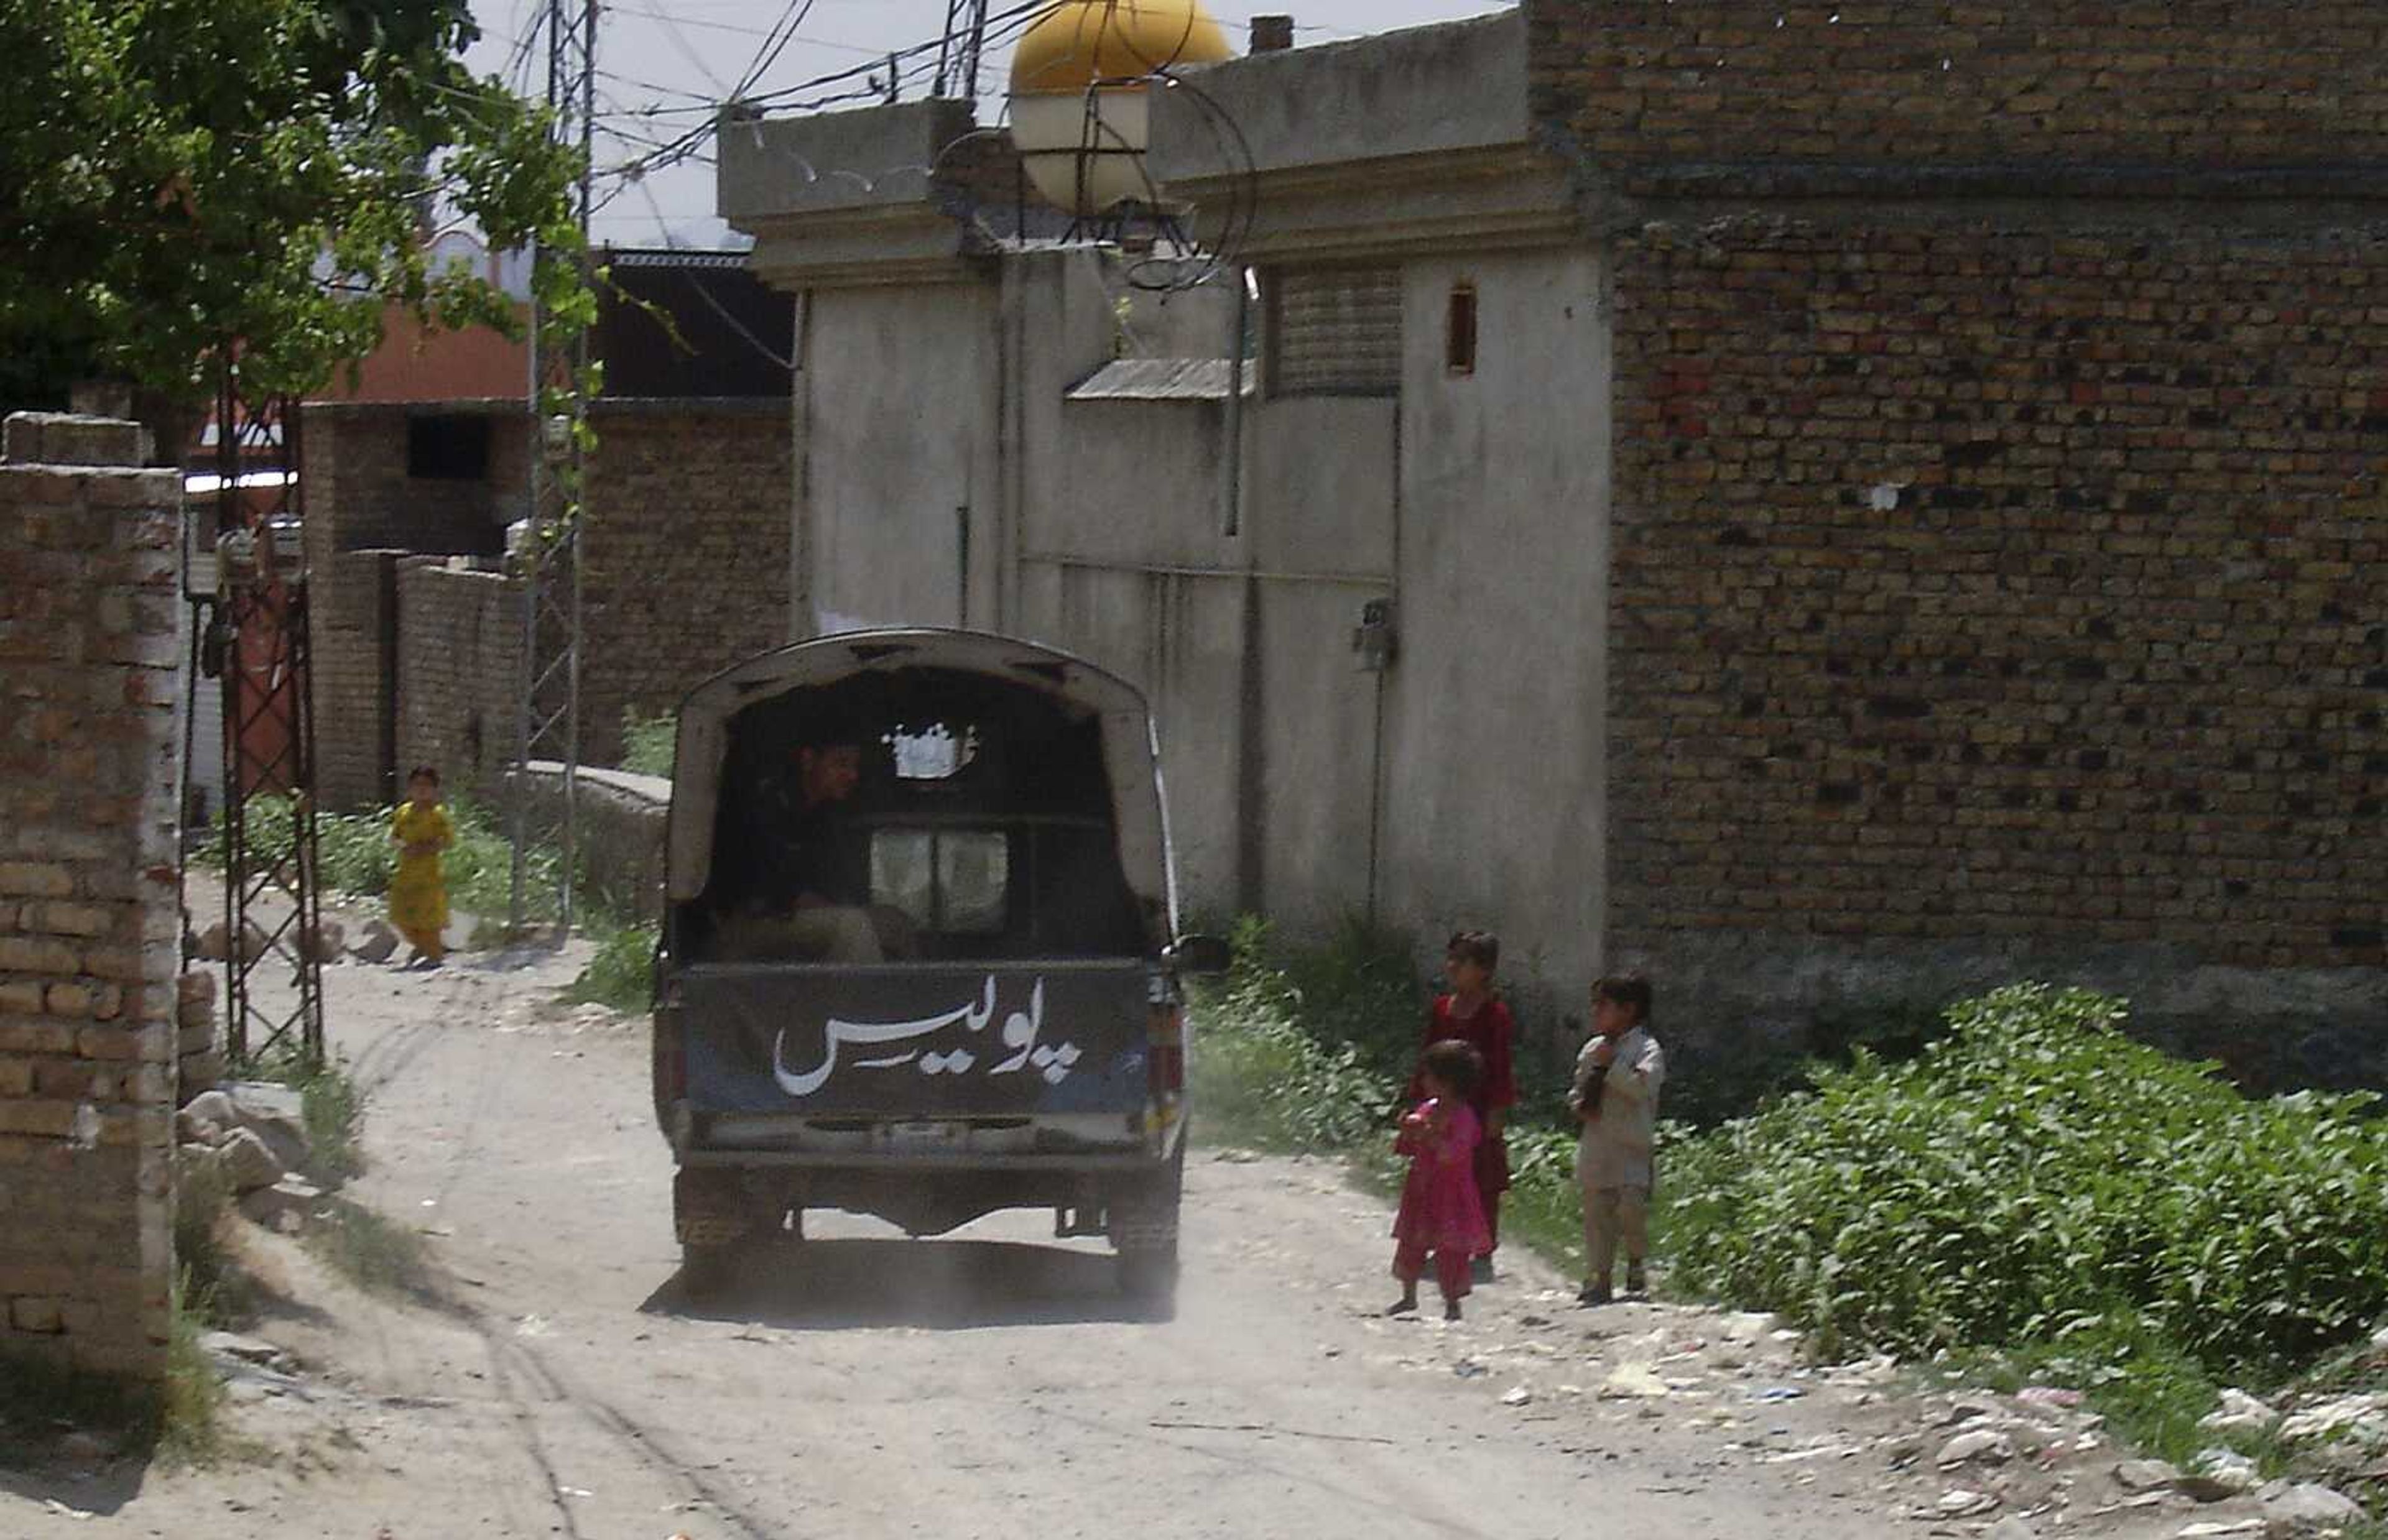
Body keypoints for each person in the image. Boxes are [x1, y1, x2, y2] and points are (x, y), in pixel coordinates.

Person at [719, 728, 907, 963]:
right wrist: (833, 908)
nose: (852, 776)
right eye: (841, 764)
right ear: (809, 760)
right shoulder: (767, 807)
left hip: (798, 914)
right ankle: (860, 1000)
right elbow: (773, 891)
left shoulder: (825, 814)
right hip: (749, 922)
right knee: (851, 926)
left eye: (855, 766)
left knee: (893, 921)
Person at [1404, 930, 1516, 1284]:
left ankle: (1482, 1249)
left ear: (1483, 969)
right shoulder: (1442, 1008)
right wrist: (1419, 1100)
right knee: (1440, 1174)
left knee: (1482, 1178)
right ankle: (1445, 1242)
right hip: (1441, 1107)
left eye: (1462, 960)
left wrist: (1497, 1110)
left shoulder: (1494, 1014)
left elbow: (1499, 1064)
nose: (1452, 965)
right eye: (1450, 957)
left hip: (1478, 1108)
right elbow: (1429, 1055)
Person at [1569, 972, 1665, 1306]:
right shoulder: (1592, 1049)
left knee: (1630, 1209)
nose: (1595, 1012)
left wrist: (1614, 1067)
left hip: (1632, 1146)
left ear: (1628, 1010)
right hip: (1598, 1143)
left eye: (1603, 1005)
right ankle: (1600, 1278)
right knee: (1597, 1213)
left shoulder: (1646, 1049)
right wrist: (1580, 1106)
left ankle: (1636, 1261)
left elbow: (1641, 1087)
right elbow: (1578, 1088)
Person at [1388, 1038, 1493, 1322]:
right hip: (1422, 1188)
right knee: (1411, 1242)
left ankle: (1452, 1302)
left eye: (1428, 1075)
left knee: (1451, 1251)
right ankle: (1408, 1296)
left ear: (1447, 1082)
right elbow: (1408, 1147)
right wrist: (1408, 1131)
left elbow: (1454, 1154)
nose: (1423, 1080)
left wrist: (1430, 1137)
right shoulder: (1428, 1109)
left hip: (1451, 1192)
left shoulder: (1463, 1117)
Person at [388, 765, 454, 970]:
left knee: (428, 919)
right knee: (401, 916)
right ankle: (421, 947)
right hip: (406, 873)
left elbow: (448, 841)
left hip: (429, 874)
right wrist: (403, 847)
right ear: (409, 789)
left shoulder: (438, 815)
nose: (422, 790)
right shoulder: (404, 812)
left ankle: (434, 955)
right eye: (417, 785)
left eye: (427, 786)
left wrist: (426, 848)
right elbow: (393, 837)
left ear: (435, 790)